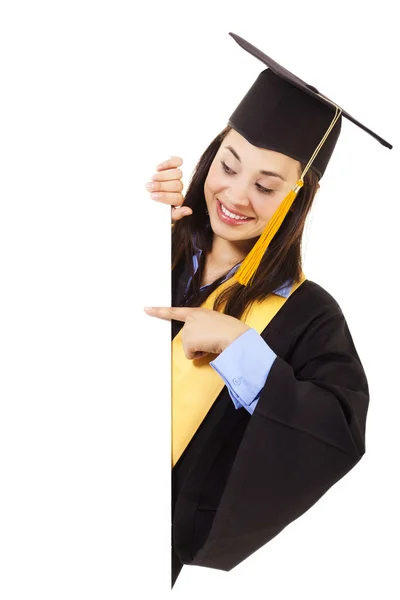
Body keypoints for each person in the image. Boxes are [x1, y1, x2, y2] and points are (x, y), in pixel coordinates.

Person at [144, 33, 392, 588]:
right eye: (227, 166)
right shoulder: (153, 239)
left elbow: (338, 433)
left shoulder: (310, 313)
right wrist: (120, 227)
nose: (234, 196)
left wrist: (240, 350)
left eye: (265, 185)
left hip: (146, 536)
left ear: (297, 199)